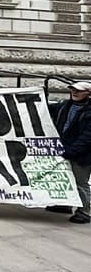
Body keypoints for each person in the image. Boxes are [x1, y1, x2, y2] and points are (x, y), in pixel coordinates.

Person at [47, 81, 91, 224]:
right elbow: (44, 108)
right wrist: (35, 96)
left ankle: (84, 211)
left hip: (81, 155)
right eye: (73, 89)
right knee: (63, 178)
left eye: (79, 90)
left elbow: (87, 137)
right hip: (64, 149)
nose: (75, 92)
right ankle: (64, 204)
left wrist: (72, 151)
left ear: (88, 93)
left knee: (80, 182)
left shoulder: (89, 112)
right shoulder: (65, 106)